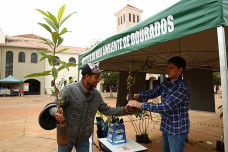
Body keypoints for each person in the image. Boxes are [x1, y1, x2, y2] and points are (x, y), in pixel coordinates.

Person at [54, 62, 133, 152]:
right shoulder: (69, 90)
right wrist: (56, 112)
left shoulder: (96, 95)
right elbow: (56, 104)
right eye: (96, 77)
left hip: (84, 140)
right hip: (66, 137)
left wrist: (125, 109)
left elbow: (107, 110)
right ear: (87, 77)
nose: (98, 80)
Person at [127, 56, 190, 152]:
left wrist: (141, 105)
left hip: (177, 130)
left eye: (171, 68)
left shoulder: (182, 87)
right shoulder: (167, 82)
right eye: (167, 67)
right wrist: (138, 95)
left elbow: (166, 106)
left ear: (180, 70)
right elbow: (153, 92)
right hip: (166, 126)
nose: (167, 70)